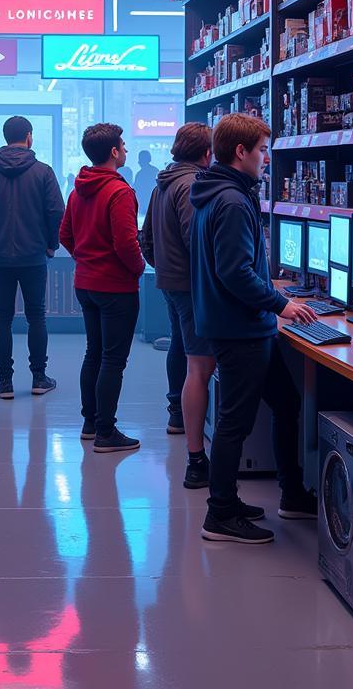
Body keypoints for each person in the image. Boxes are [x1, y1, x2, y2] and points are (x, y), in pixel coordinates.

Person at [189, 113, 319, 546]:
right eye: (262, 150)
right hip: (240, 328)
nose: (266, 158)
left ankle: (293, 494)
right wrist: (282, 304)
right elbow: (235, 272)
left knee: (286, 403)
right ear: (240, 152)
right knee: (235, 423)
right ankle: (220, 514)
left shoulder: (221, 193)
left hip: (241, 324)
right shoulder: (231, 201)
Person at [60, 123, 145, 453]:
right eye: (123, 145)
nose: (126, 150)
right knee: (113, 359)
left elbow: (65, 235)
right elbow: (126, 243)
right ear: (113, 152)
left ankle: (90, 422)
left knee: (93, 352)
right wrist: (138, 268)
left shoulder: (78, 189)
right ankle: (106, 433)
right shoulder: (120, 192)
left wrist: (85, 258)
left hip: (86, 284)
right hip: (116, 287)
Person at [0, 116, 65, 399]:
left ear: (4, 138)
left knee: (2, 316)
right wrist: (50, 245)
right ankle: (38, 378)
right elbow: (55, 212)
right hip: (34, 256)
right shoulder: (44, 172)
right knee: (36, 316)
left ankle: (5, 381)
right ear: (29, 137)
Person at [139, 123, 214, 487]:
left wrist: (161, 267)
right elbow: (195, 239)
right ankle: (194, 444)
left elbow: (145, 238)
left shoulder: (164, 183)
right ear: (206, 153)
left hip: (169, 281)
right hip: (189, 285)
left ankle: (175, 413)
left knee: (181, 347)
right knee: (198, 361)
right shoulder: (193, 185)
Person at [132, 150, 159, 214]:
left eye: (140, 159)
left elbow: (137, 190)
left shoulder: (139, 174)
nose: (138, 162)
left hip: (145, 204)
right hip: (154, 203)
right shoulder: (155, 170)